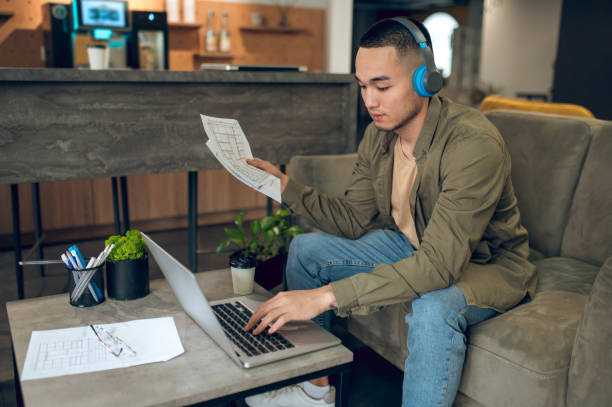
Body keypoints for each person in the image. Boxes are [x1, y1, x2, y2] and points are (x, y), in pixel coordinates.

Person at [242, 17, 536, 407]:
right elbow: (353, 220)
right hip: (413, 245)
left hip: (487, 264)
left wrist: (326, 297)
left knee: (433, 307)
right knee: (306, 250)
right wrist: (283, 186)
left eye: (382, 86)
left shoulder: (472, 144)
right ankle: (315, 390)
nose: (370, 101)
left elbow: (438, 268)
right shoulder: (378, 136)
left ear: (425, 80)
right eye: (363, 86)